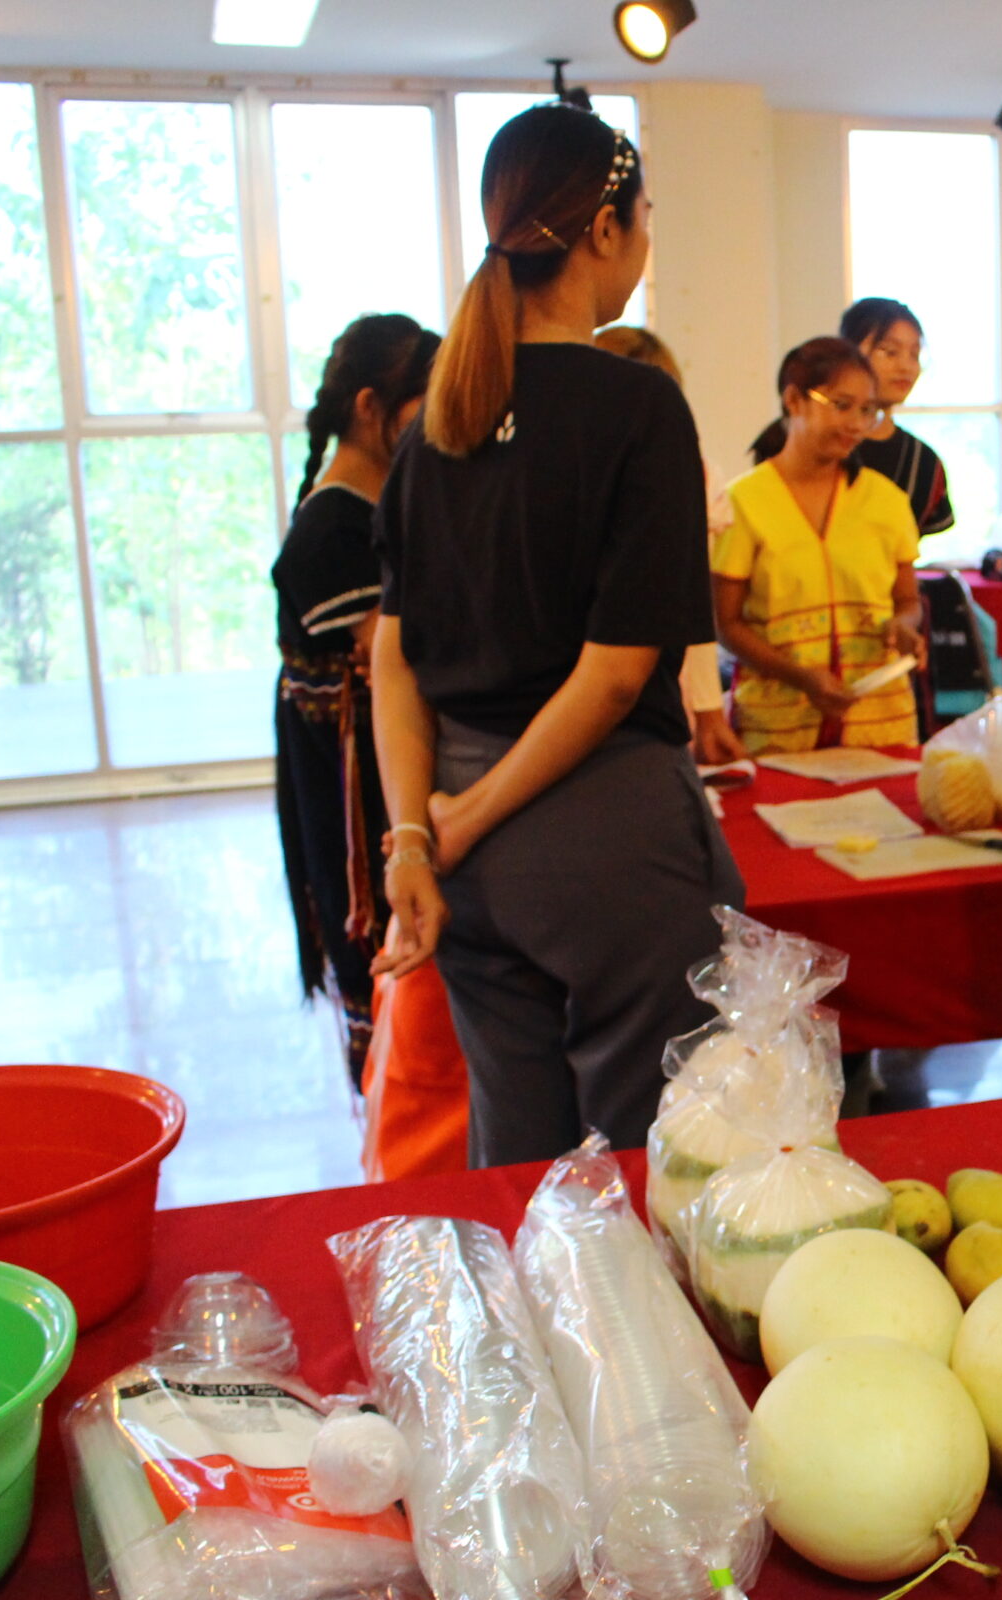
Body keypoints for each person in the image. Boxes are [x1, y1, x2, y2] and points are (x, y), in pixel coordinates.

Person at [369, 102, 743, 1168]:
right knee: (646, 1160)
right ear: (604, 230)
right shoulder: (637, 408)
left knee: (521, 1161)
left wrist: (417, 836)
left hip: (461, 839)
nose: (645, 241)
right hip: (598, 829)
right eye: (646, 218)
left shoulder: (438, 427)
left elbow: (394, 659)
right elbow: (617, 675)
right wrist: (464, 820)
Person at [272, 313, 439, 1088]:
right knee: (375, 951)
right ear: (371, 407)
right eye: (422, 406)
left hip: (378, 770)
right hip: (356, 790)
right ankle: (396, 1124)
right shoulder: (330, 531)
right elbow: (398, 659)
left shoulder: (377, 504)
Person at [716, 337, 927, 752]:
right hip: (779, 727)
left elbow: (907, 601)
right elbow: (727, 624)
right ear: (794, 400)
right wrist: (799, 676)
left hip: (879, 723)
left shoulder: (886, 501)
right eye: (841, 405)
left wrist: (904, 626)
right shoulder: (743, 502)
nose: (856, 424)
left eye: (867, 410)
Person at [592, 322, 745, 764]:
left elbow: (692, 605)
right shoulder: (567, 475)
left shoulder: (693, 474)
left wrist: (710, 711)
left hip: (662, 685)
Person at [750, 298, 953, 538]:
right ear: (849, 352)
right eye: (890, 352)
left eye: (914, 355)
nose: (905, 367)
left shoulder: (924, 462)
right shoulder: (798, 443)